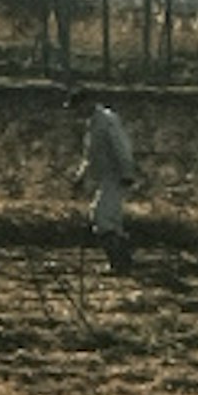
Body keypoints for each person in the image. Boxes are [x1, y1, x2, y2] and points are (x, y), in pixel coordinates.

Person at [78, 95, 135, 277]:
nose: (76, 112)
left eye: (77, 107)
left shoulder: (107, 120)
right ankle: (122, 263)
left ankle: (119, 263)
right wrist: (80, 176)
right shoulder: (93, 123)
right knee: (111, 222)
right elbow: (90, 155)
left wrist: (127, 172)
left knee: (101, 218)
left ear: (87, 102)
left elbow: (121, 146)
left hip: (116, 176)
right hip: (106, 177)